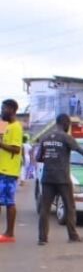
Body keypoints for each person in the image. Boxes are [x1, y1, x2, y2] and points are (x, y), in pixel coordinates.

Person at [37, 113, 83, 245]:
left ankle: (42, 239)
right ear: (66, 124)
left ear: (57, 123)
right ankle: (73, 236)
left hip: (47, 177)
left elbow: (38, 158)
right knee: (70, 207)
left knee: (45, 209)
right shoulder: (66, 138)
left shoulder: (45, 138)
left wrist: (51, 159)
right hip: (63, 178)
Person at [0, 99, 23, 243]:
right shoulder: (7, 127)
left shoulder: (16, 127)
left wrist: (0, 144)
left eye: (3, 109)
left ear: (12, 110)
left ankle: (9, 234)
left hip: (9, 171)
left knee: (9, 202)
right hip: (2, 169)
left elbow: (16, 148)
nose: (1, 111)